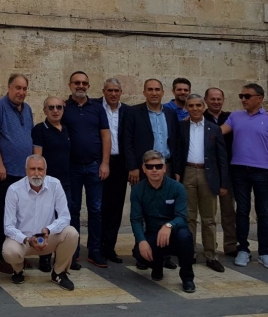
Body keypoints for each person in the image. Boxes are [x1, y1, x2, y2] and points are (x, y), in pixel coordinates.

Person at [220, 83, 268, 270]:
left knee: (263, 213)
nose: (243, 99)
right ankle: (243, 249)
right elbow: (217, 132)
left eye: (247, 96)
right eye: (241, 96)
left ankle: (264, 252)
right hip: (239, 170)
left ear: (259, 98)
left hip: (263, 171)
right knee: (242, 210)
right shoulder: (235, 116)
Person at [2, 155, 78, 291]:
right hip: (23, 240)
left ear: (46, 171)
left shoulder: (55, 185)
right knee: (9, 251)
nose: (36, 173)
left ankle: (58, 273)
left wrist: (48, 230)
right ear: (26, 170)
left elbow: (65, 217)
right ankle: (18, 270)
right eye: (32, 169)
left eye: (40, 169)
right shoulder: (14, 190)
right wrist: (27, 239)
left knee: (72, 233)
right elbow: (8, 227)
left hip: (47, 238)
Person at [174, 94, 229, 272]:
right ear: (187, 108)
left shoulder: (214, 129)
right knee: (188, 217)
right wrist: (177, 173)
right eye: (191, 106)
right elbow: (177, 151)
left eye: (198, 105)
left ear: (203, 106)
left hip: (209, 174)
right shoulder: (181, 127)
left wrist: (223, 183)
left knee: (209, 218)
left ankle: (211, 255)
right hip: (188, 172)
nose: (195, 109)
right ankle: (188, 253)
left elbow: (222, 157)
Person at [62, 71, 110, 269]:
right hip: (71, 166)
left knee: (96, 209)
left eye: (85, 83)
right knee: (72, 209)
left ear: (89, 86)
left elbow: (106, 136)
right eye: (77, 83)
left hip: (93, 166)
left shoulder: (97, 108)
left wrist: (105, 163)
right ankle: (73, 251)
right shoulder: (63, 107)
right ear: (70, 85)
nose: (81, 86)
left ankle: (95, 250)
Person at [0, 74, 33, 273]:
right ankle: (0, 257)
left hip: (22, 174)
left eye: (24, 88)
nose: (21, 92)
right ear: (9, 87)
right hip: (2, 173)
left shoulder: (28, 108)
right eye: (17, 88)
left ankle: (17, 254)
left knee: (20, 217)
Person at [130, 150, 195, 293]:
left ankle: (187, 278)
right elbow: (136, 219)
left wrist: (169, 225)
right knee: (138, 252)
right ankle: (157, 265)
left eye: (158, 166)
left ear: (164, 168)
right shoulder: (137, 190)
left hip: (175, 232)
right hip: (153, 233)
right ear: (144, 169)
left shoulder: (177, 188)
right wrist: (141, 241)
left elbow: (182, 216)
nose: (154, 170)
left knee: (186, 237)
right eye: (150, 167)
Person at [32, 96, 71, 273]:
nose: (55, 110)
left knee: (63, 219)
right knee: (45, 219)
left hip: (66, 181)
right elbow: (38, 157)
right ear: (45, 110)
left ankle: (64, 258)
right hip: (48, 182)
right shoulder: (40, 129)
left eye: (59, 107)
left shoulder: (67, 129)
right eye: (51, 107)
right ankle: (44, 257)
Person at [124, 79, 182, 182]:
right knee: (144, 197)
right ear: (144, 93)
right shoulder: (133, 112)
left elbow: (177, 143)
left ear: (162, 93)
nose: (154, 93)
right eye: (150, 90)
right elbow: (127, 142)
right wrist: (132, 167)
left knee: (166, 197)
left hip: (167, 167)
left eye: (157, 90)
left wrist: (177, 170)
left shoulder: (171, 114)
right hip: (144, 167)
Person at [203, 87, 237, 257]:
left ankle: (231, 245)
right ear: (206, 100)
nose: (216, 102)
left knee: (228, 211)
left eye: (219, 99)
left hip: (226, 171)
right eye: (212, 99)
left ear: (223, 100)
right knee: (207, 213)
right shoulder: (199, 118)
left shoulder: (232, 118)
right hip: (206, 171)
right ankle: (209, 246)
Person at [100, 78, 130, 263]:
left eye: (116, 90)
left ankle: (109, 247)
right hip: (100, 161)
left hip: (120, 163)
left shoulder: (128, 111)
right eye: (110, 90)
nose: (113, 94)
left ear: (121, 92)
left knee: (116, 207)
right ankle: (96, 246)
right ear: (103, 91)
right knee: (99, 206)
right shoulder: (94, 106)